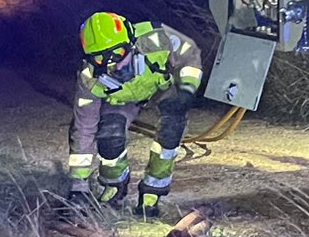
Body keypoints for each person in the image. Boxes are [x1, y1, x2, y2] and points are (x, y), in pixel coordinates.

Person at [65, 11, 205, 217]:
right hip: (122, 101)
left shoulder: (156, 38)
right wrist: (79, 186)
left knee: (172, 127)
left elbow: (189, 54)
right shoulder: (89, 79)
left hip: (160, 88)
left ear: (131, 41)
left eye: (118, 52)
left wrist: (187, 88)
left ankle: (152, 190)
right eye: (101, 58)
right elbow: (83, 130)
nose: (113, 64)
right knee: (109, 134)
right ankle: (115, 183)